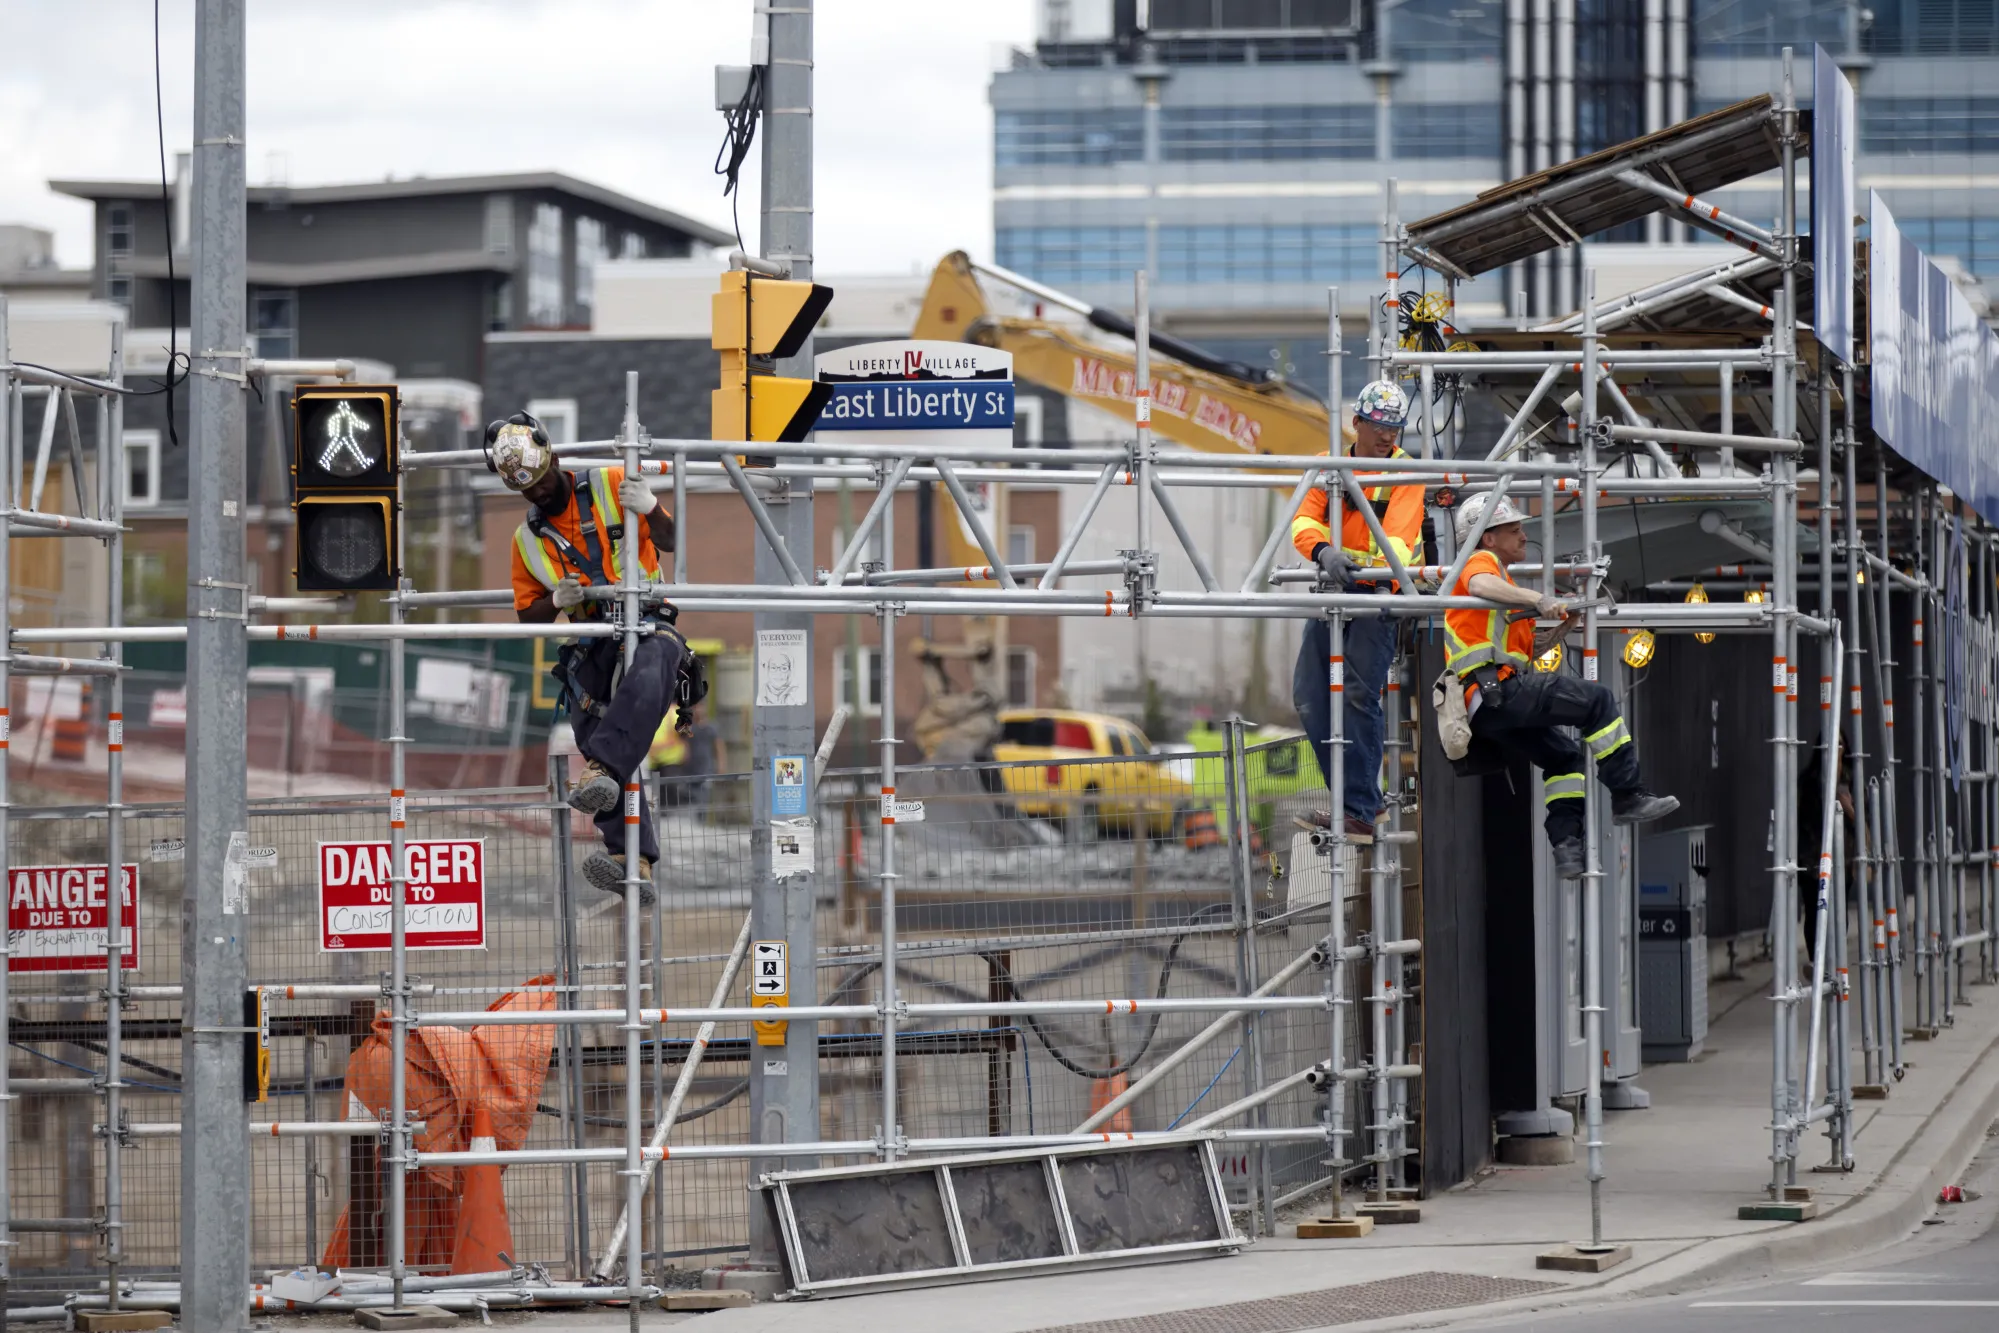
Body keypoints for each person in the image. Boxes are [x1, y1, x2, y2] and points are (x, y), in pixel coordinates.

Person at [494, 410, 692, 901]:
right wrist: (554, 602)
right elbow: (528, 618)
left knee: (649, 672)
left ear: (555, 461)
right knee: (590, 717)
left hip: (647, 619)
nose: (539, 494)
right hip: (592, 635)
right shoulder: (526, 541)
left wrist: (650, 508)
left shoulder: (612, 482)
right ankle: (632, 857)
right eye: (528, 490)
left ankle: (602, 771)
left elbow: (671, 543)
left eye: (542, 481)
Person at [1445, 492, 1679, 879]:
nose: (1523, 537)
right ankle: (1627, 795)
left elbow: (1525, 652)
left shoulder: (1500, 585)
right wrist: (1539, 598)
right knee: (1598, 700)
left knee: (1565, 758)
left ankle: (1567, 847)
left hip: (1489, 702)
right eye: (1514, 530)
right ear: (1488, 538)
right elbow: (1480, 584)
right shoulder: (1480, 563)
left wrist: (1563, 627)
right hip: (1494, 690)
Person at [1289, 379, 1427, 844]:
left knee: (1355, 695)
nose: (1388, 436)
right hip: (1333, 588)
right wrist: (1325, 551)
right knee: (1309, 695)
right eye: (1380, 427)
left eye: (1395, 428)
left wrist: (1360, 567)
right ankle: (1357, 802)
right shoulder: (1335, 467)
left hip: (1378, 595)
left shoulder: (1406, 473)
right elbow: (1304, 519)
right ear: (1358, 424)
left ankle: (1360, 810)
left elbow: (1400, 545)